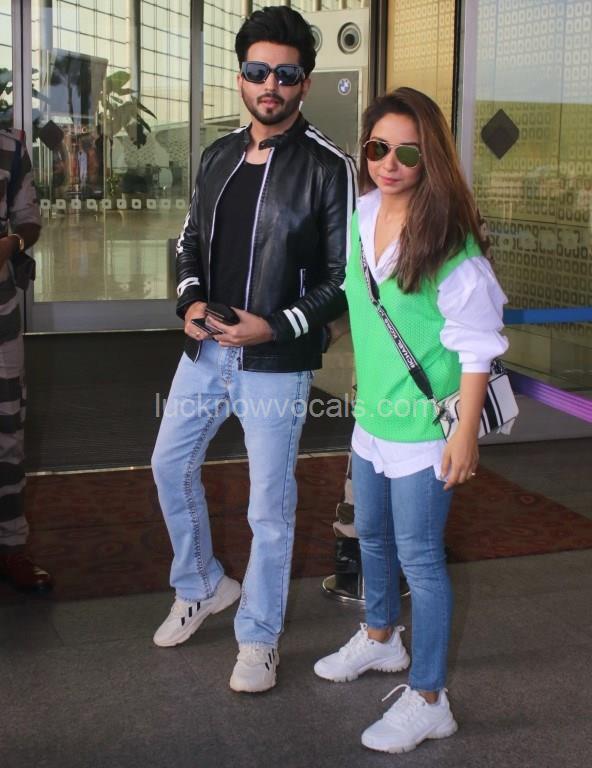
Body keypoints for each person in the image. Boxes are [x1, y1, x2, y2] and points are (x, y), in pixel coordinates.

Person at [151, 6, 355, 693]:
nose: (271, 84)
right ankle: (201, 583)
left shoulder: (328, 167)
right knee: (168, 465)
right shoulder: (218, 156)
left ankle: (260, 636)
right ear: (241, 76)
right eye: (258, 70)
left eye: (285, 74)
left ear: (305, 82)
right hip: (206, 353)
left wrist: (275, 326)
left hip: (274, 363)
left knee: (269, 508)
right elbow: (189, 241)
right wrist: (190, 302)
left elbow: (342, 279)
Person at [313, 88, 508, 753]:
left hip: (425, 428)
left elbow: (477, 345)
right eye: (377, 148)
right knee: (371, 536)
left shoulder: (450, 242)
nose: (389, 164)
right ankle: (379, 637)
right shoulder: (361, 215)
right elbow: (356, 306)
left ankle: (429, 698)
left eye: (407, 153)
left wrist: (465, 434)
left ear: (432, 158)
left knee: (421, 560)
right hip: (373, 416)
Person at [0, 128, 53, 591]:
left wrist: (13, 243)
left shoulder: (11, 148)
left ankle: (12, 547)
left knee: (8, 432)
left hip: (1, 318)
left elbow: (29, 220)